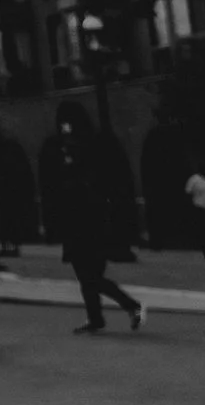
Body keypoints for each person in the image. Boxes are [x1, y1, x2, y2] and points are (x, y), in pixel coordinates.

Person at [56, 105, 144, 334]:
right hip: (81, 221)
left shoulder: (82, 149)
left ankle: (131, 305)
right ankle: (95, 317)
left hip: (88, 221)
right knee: (86, 276)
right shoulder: (72, 148)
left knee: (91, 276)